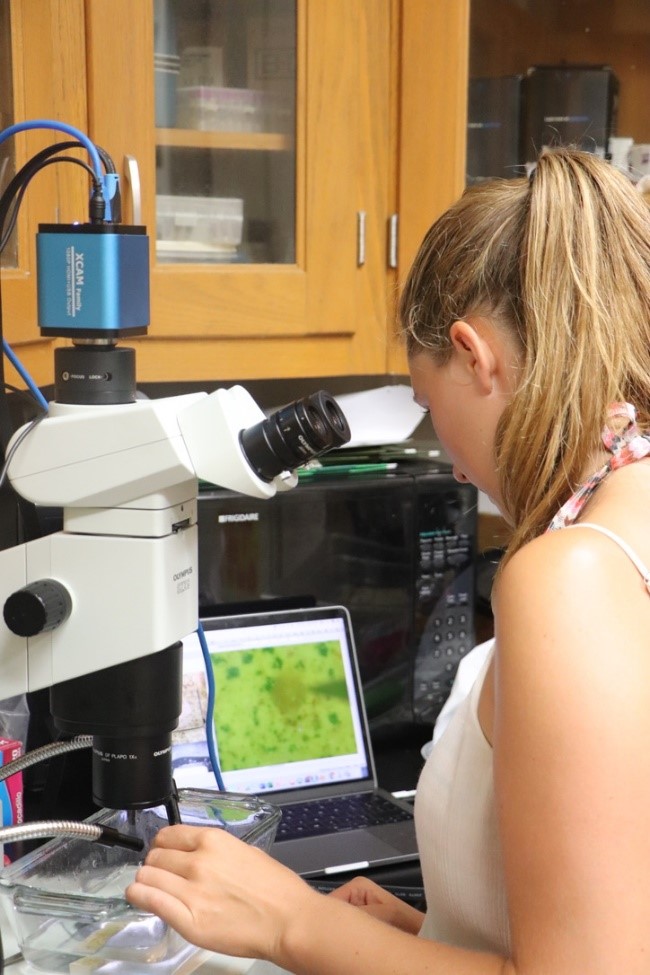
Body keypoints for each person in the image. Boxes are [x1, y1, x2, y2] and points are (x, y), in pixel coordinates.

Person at [126, 147, 650, 974]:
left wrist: (292, 922)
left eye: (425, 402)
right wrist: (416, 934)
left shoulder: (569, 577)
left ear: (475, 356)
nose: (445, 448)